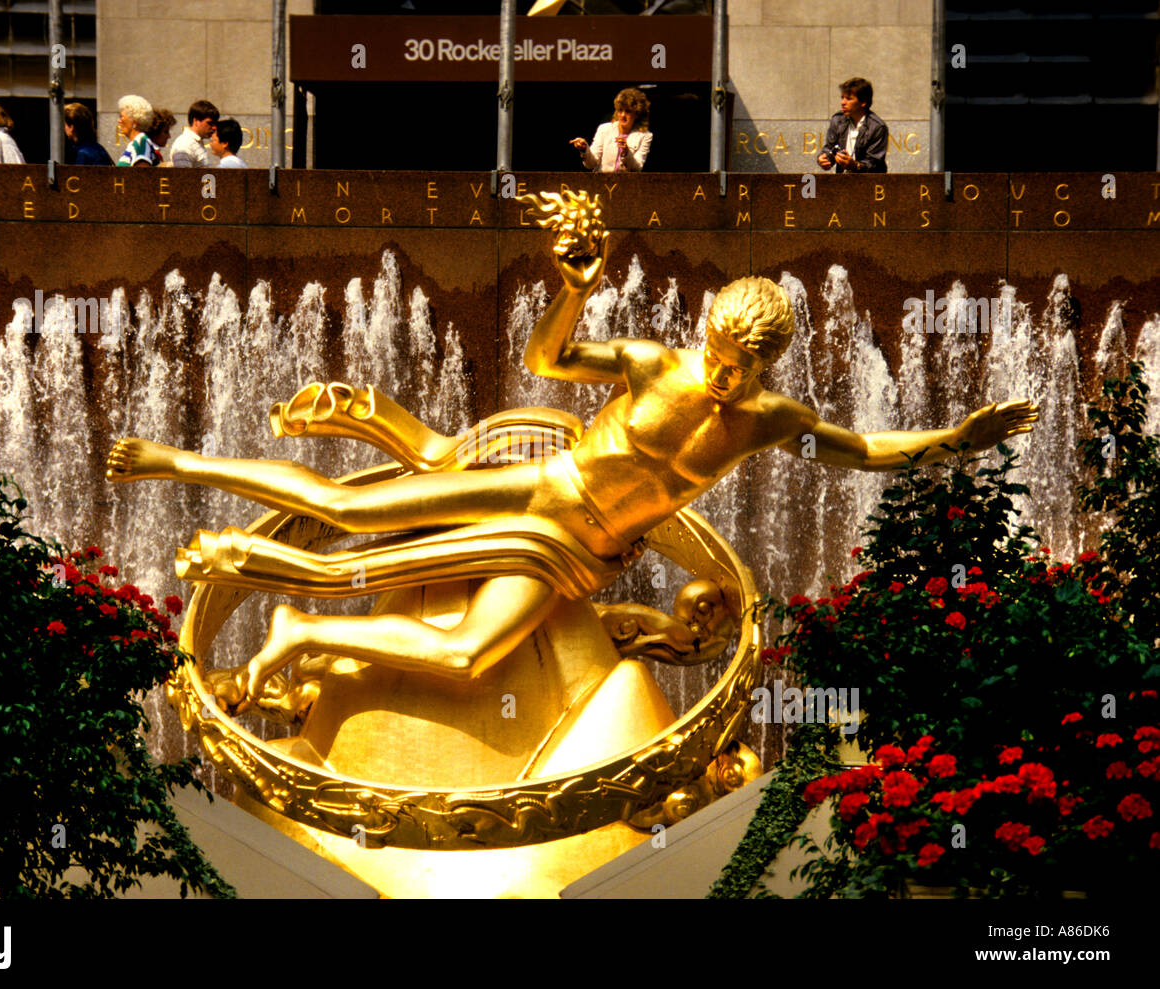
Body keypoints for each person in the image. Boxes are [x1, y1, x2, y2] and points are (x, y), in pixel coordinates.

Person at [106, 190, 1036, 706]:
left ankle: (303, 630)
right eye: (719, 349)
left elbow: (867, 450)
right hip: (534, 490)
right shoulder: (649, 362)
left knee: (471, 655)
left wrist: (953, 440)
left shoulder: (771, 421)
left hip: (577, 555)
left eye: (744, 362)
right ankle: (179, 462)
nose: (722, 370)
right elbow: (544, 356)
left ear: (768, 360)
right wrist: (574, 287)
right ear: (708, 331)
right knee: (345, 510)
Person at [570, 87, 652, 173]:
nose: (623, 115)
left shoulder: (645, 136)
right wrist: (584, 149)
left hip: (627, 184)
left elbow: (637, 168)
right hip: (602, 182)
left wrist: (626, 152)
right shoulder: (604, 129)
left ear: (637, 114)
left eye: (628, 111)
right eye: (620, 110)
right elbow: (591, 164)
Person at [817, 77, 888, 173]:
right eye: (842, 98)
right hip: (842, 181)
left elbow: (874, 163)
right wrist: (824, 158)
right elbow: (830, 148)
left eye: (849, 99)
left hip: (869, 183)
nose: (843, 103)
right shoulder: (837, 120)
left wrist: (855, 165)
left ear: (863, 102)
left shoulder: (877, 127)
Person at [167, 100, 219, 168]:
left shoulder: (195, 143)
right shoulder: (184, 144)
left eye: (215, 123)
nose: (214, 128)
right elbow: (183, 176)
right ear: (196, 121)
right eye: (210, 123)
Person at [115, 94, 156, 167]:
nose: (119, 120)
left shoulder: (141, 143)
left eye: (121, 117)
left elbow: (141, 174)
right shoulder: (137, 142)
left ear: (134, 122)